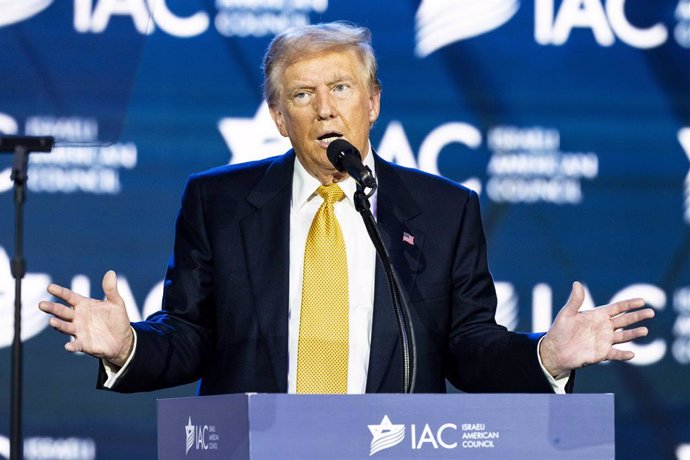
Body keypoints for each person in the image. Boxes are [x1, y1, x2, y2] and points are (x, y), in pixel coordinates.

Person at [38, 22, 653, 395]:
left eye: (341, 88)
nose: (325, 109)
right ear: (279, 119)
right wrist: (127, 348)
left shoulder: (443, 210)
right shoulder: (219, 202)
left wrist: (545, 355)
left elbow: (468, 346)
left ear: (373, 101)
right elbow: (192, 336)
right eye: (302, 95)